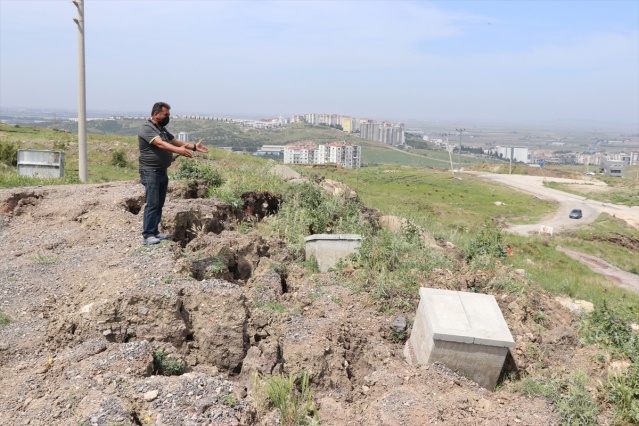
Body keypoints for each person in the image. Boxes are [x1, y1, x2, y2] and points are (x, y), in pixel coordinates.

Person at [138, 102, 208, 245]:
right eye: (166, 115)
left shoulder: (162, 129)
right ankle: (147, 235)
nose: (168, 117)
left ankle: (155, 231)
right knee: (152, 203)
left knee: (159, 203)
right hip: (150, 171)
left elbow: (175, 141)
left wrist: (194, 147)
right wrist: (179, 151)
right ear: (156, 114)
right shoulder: (147, 128)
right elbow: (160, 144)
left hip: (161, 171)